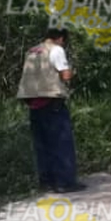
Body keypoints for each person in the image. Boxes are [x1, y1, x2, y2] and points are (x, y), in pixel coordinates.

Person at [16, 28, 85, 193]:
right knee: (62, 142)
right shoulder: (57, 49)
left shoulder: (32, 51)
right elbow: (65, 75)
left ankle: (46, 182)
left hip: (33, 101)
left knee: (42, 144)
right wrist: (71, 71)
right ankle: (64, 182)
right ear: (60, 38)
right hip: (52, 101)